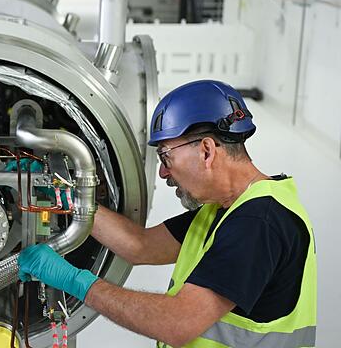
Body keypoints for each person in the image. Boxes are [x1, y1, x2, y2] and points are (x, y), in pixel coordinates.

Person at [17, 80, 316, 347]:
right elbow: (140, 246)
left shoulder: (257, 223)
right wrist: (63, 196)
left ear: (207, 151)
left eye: (166, 156)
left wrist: (74, 281)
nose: (162, 172)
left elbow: (176, 323)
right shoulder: (226, 209)